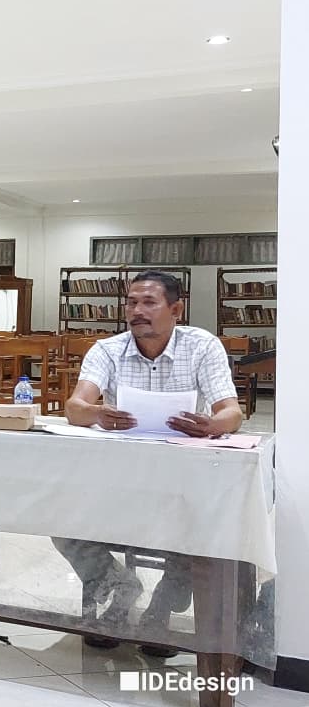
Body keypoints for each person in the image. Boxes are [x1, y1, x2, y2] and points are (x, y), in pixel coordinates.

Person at [58, 269, 241, 655]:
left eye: (148, 303)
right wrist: (97, 413)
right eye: (131, 302)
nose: (136, 311)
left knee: (200, 531)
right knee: (62, 523)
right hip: (119, 480)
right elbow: (75, 408)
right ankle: (118, 587)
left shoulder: (202, 346)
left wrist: (211, 424)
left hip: (182, 484)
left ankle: (161, 610)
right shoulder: (108, 350)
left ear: (176, 309)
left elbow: (232, 414)